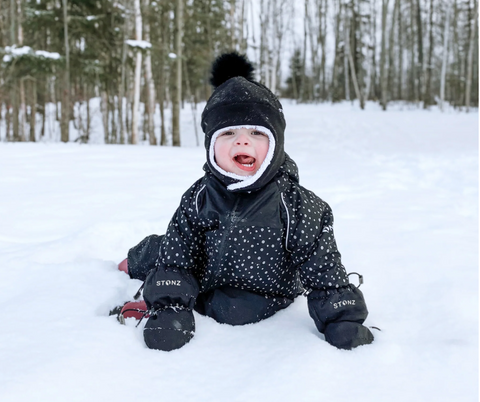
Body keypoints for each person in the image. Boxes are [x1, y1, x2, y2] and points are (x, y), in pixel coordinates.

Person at [116, 52, 375, 352]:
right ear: (211, 145)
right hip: (205, 273)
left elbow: (324, 270)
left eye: (255, 133)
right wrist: (169, 307)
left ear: (275, 143)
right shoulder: (199, 196)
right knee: (162, 252)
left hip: (267, 291)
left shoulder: (297, 205)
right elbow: (177, 259)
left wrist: (342, 320)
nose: (242, 141)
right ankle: (135, 258)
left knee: (237, 308)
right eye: (228, 133)